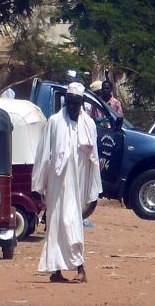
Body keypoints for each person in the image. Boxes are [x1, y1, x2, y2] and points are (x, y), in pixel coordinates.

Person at [31, 82, 102, 284]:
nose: (72, 107)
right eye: (70, 103)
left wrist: (93, 189)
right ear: (65, 101)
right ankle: (57, 271)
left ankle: (80, 268)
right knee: (56, 224)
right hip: (57, 183)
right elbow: (44, 153)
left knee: (72, 222)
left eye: (76, 103)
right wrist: (39, 184)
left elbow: (93, 159)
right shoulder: (54, 122)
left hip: (78, 184)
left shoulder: (89, 125)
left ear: (81, 103)